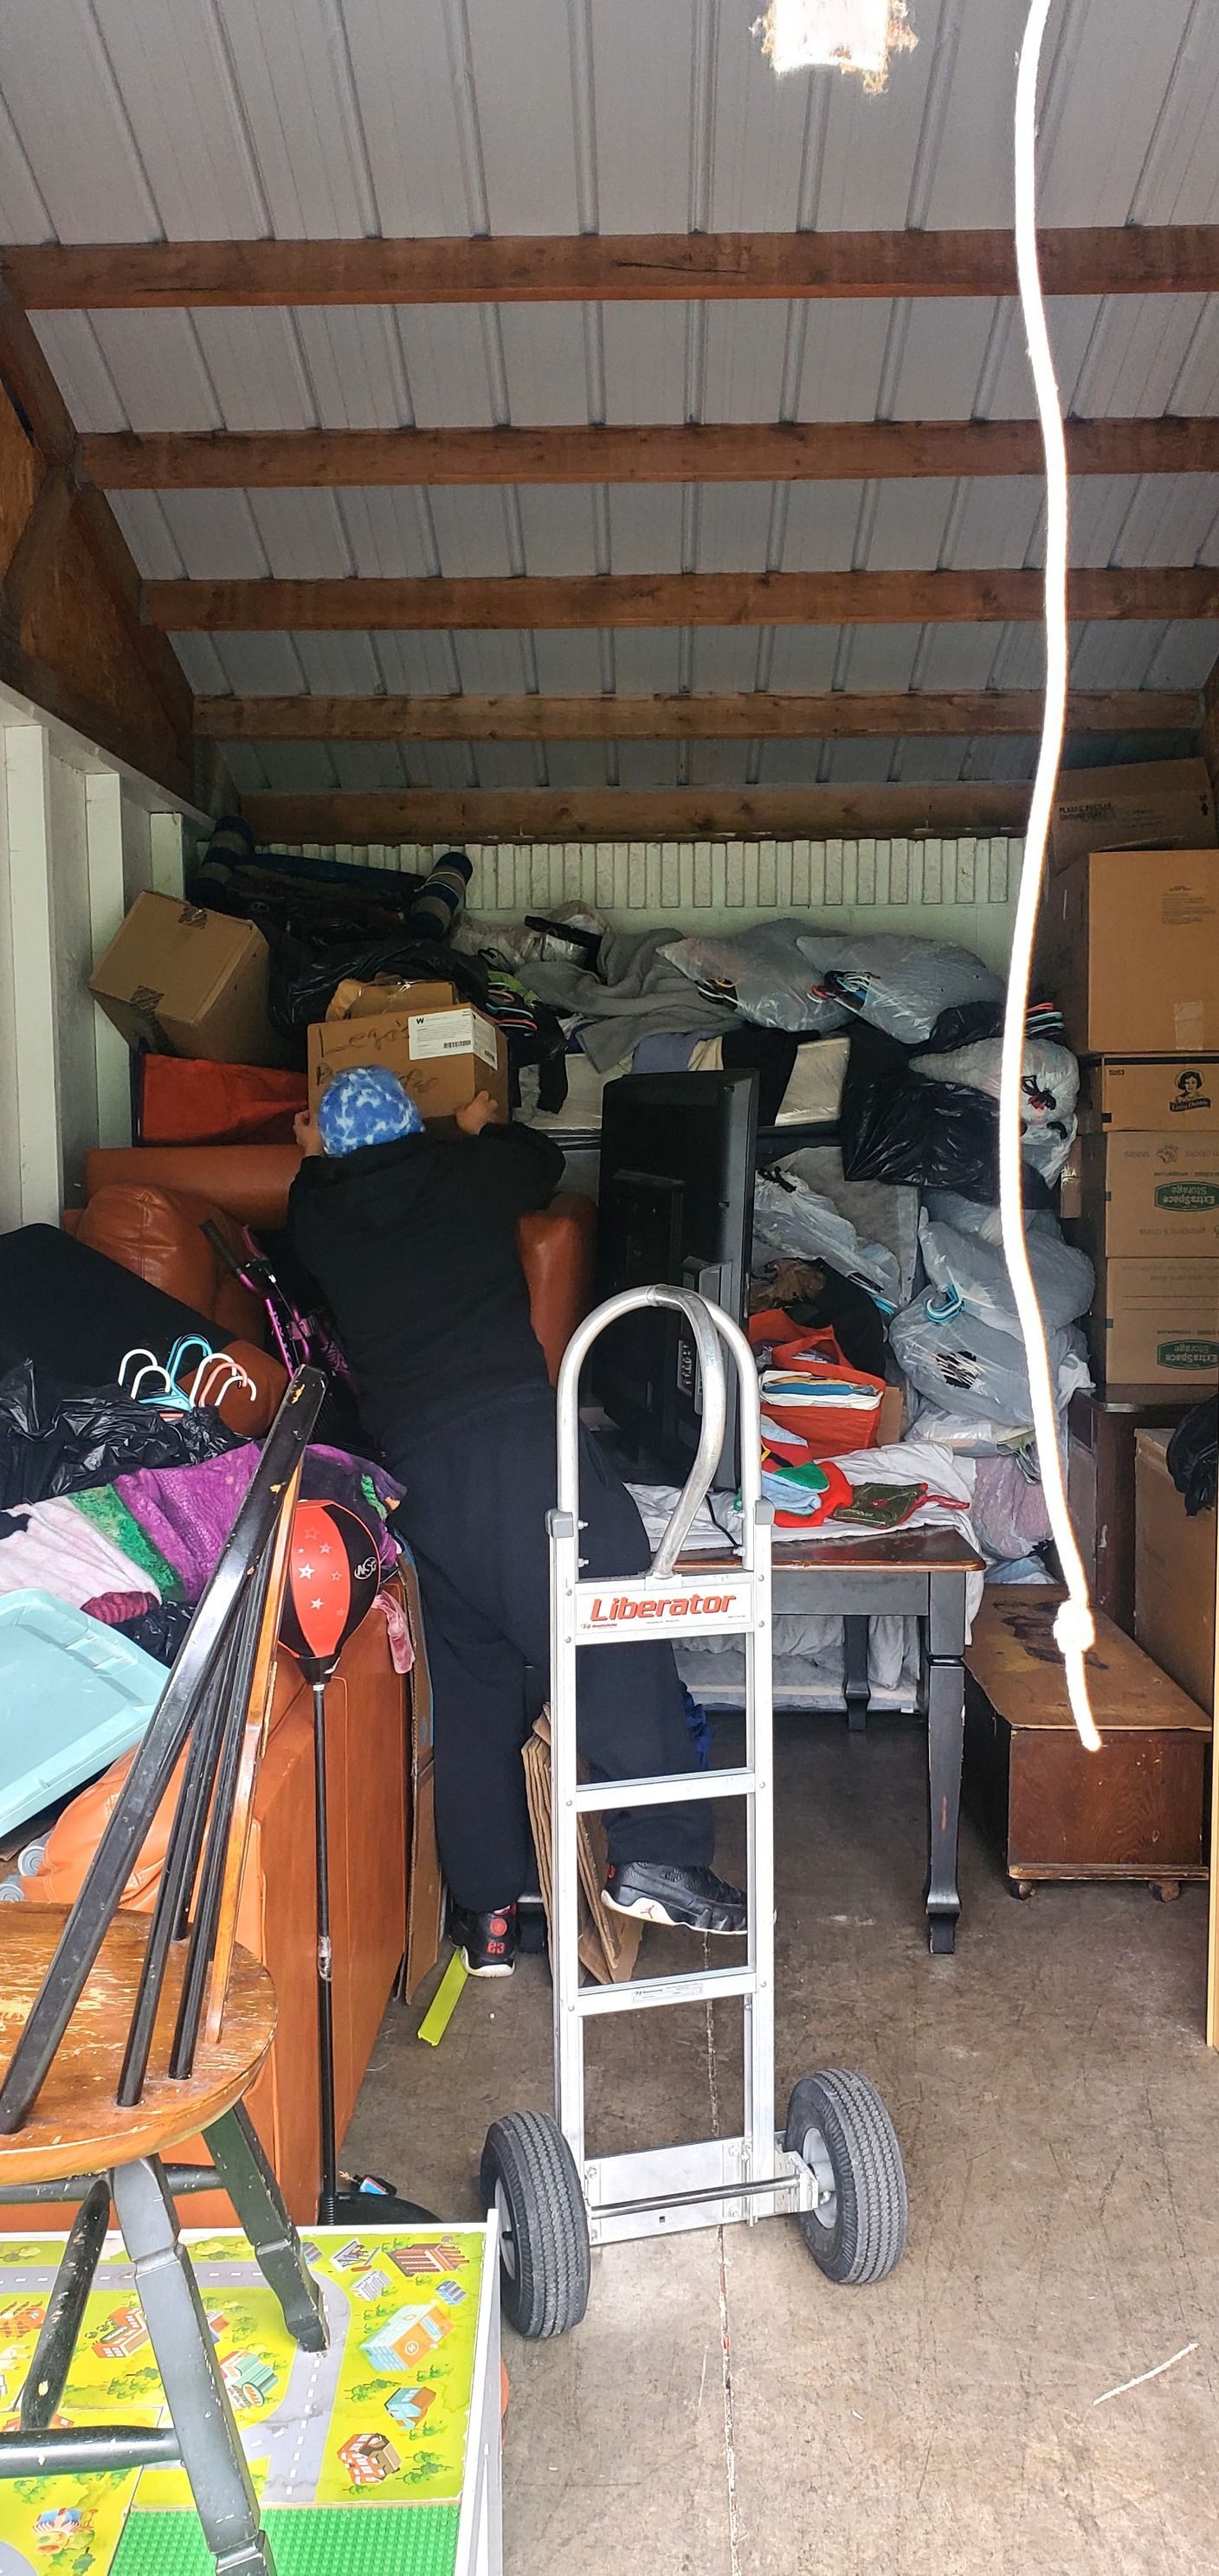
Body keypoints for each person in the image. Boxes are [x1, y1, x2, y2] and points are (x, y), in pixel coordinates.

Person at [288, 1064, 745, 1976]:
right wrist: (474, 1124)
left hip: (413, 1475)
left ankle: (488, 1915)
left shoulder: (315, 1217)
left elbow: (326, 1177)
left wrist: (325, 1152)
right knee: (613, 1608)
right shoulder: (464, 1176)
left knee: (475, 1691)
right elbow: (537, 1158)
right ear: (414, 1131)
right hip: (513, 1436)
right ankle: (658, 1849)